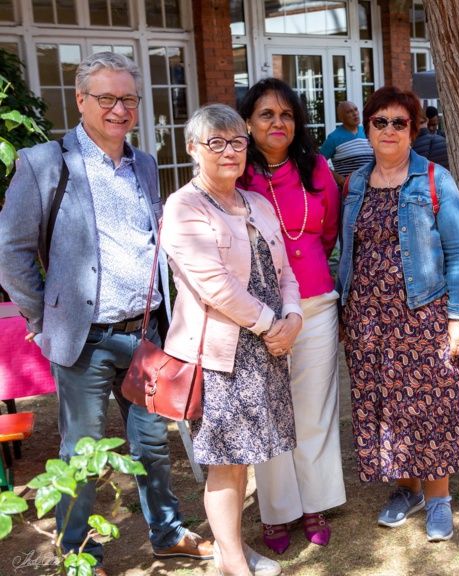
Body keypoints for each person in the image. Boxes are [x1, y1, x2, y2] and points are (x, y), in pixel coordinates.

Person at [0, 52, 213, 576]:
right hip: (84, 341)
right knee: (82, 454)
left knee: (151, 447)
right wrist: (40, 317)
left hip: (145, 336)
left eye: (128, 99)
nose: (119, 109)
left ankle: (167, 533)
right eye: (107, 98)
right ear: (81, 100)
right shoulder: (44, 164)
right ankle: (80, 554)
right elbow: (10, 251)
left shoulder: (143, 162)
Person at [338, 86, 459, 542]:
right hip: (366, 317)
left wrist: (458, 316)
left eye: (399, 122)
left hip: (422, 314)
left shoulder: (435, 180)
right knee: (386, 405)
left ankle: (439, 497)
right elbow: (349, 250)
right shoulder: (356, 183)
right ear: (367, 129)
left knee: (431, 405)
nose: (388, 130)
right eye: (379, 122)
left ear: (413, 129)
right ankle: (407, 488)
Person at [161, 103, 304, 576]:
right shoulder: (183, 206)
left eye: (237, 142)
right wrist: (272, 327)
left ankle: (229, 552)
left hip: (267, 345)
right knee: (226, 461)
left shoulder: (257, 203)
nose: (229, 152)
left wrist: (294, 316)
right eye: (215, 143)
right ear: (193, 150)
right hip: (224, 352)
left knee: (246, 457)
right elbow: (215, 286)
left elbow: (285, 272)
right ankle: (233, 563)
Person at [237, 78, 345, 553]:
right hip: (261, 311)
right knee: (270, 410)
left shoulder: (316, 167)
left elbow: (328, 234)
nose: (277, 122)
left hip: (317, 303)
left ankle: (316, 502)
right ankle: (278, 511)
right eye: (266, 114)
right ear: (248, 123)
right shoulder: (237, 171)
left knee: (313, 409)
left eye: (286, 114)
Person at [319, 100, 375, 186]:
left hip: (372, 187)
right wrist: (336, 177)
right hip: (350, 190)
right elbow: (318, 162)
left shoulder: (368, 131)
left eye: (356, 110)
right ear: (341, 118)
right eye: (349, 112)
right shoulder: (334, 138)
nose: (355, 113)